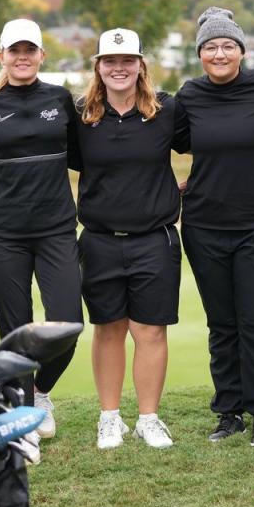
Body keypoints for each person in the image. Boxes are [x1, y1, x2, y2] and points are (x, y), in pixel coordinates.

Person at [175, 7, 254, 448]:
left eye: (228, 45)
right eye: (211, 47)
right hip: (205, 225)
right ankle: (229, 411)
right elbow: (158, 139)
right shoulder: (189, 95)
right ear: (200, 55)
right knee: (222, 323)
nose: (220, 53)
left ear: (242, 51)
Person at [70, 28, 185, 450]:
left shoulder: (166, 110)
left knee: (150, 330)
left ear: (141, 65)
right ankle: (110, 418)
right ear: (99, 67)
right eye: (110, 61)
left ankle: (149, 418)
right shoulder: (81, 115)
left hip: (154, 238)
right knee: (108, 328)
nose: (119, 68)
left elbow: (212, 143)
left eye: (127, 60)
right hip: (99, 238)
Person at [0, 19, 82, 440]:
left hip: (56, 228)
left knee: (67, 322)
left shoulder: (59, 99)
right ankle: (21, 414)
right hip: (6, 233)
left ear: (41, 55)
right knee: (14, 329)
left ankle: (40, 392)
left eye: (29, 50)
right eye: (13, 50)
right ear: (1, 56)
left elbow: (85, 158)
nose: (22, 57)